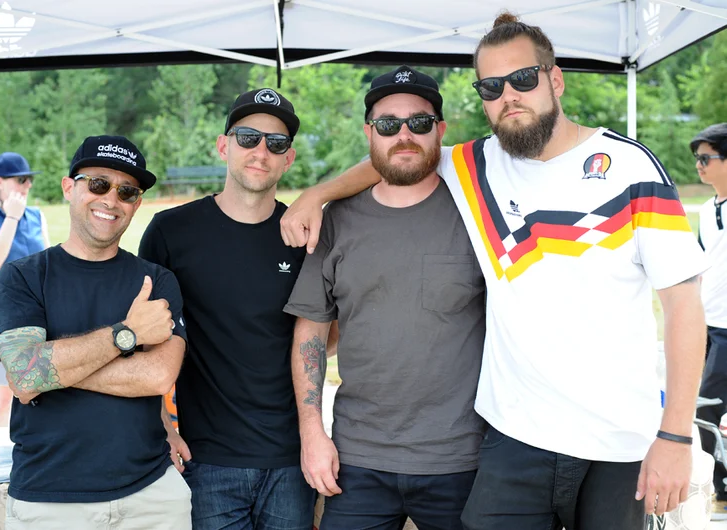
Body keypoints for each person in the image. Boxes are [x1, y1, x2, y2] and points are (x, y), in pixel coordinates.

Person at [280, 13, 708, 530]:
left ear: (555, 79)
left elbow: (684, 309)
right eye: (491, 86)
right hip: (513, 439)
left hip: (617, 441)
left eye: (523, 79)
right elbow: (399, 155)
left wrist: (676, 436)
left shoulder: (631, 167)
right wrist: (316, 194)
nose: (509, 95)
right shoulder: (476, 164)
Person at [284, 67, 486, 529]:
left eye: (418, 123)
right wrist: (312, 434)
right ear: (369, 133)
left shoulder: (478, 212)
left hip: (462, 459)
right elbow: (311, 332)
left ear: (440, 129)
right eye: (388, 124)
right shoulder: (336, 220)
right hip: (358, 460)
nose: (404, 136)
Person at [139, 88, 323, 530]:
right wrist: (162, 425)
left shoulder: (304, 238)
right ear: (224, 145)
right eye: (247, 138)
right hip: (205, 460)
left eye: (275, 144)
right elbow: (142, 339)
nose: (261, 151)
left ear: (288, 159)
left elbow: (321, 337)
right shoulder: (171, 231)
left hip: (290, 461)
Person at [0, 135, 191, 530]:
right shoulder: (23, 277)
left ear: (136, 203)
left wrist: (55, 371)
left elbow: (158, 376)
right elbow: (24, 377)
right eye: (98, 183)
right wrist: (127, 333)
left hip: (151, 495)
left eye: (127, 191)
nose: (111, 199)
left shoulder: (156, 280)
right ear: (70, 187)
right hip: (49, 499)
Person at [0, 152, 49, 427]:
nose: (28, 186)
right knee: (4, 394)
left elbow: (48, 263)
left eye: (29, 180)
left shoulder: (37, 215)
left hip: (40, 316)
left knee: (41, 390)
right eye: (21, 180)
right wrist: (11, 218)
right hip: (1, 316)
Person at [691, 123, 727, 511]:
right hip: (707, 323)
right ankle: (720, 484)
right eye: (697, 159)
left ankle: (724, 486)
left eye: (706, 158)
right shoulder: (705, 211)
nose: (699, 166)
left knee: (713, 404)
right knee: (705, 406)